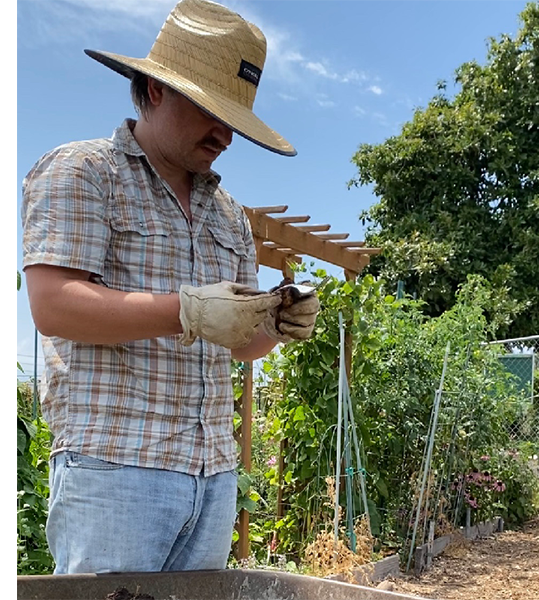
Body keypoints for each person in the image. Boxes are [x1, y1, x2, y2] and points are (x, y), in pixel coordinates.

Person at [21, 0, 319, 574]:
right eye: (211, 110)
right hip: (115, 468)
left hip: (214, 473)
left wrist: (276, 326)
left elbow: (240, 343)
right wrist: (183, 310)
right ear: (155, 90)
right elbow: (54, 305)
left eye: (233, 119)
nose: (224, 133)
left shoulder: (230, 216)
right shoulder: (84, 172)